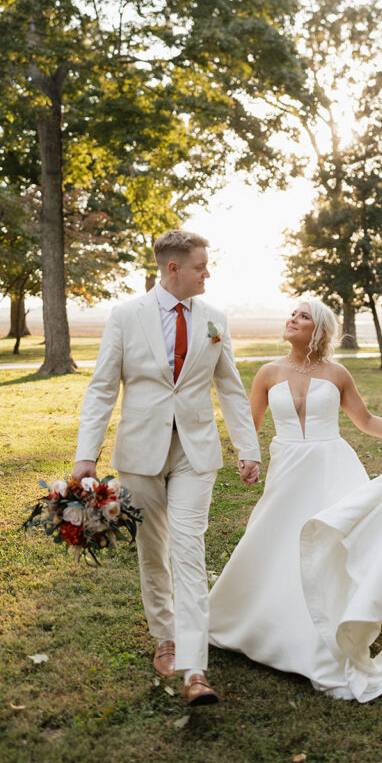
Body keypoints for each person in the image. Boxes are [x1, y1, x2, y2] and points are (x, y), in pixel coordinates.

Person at [208, 298, 382, 702]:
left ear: (321, 330)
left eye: (303, 316)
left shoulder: (337, 373)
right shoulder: (267, 372)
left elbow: (364, 421)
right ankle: (254, 623)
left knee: (330, 547)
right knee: (274, 540)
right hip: (288, 470)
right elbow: (249, 424)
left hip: (333, 470)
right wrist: (248, 456)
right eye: (292, 314)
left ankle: (323, 639)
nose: (292, 319)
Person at [72, 230, 260, 706]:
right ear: (173, 269)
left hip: (196, 453)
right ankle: (166, 637)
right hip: (140, 454)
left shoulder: (215, 319)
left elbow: (232, 387)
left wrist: (248, 446)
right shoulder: (125, 317)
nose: (208, 273)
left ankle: (195, 669)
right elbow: (101, 389)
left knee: (189, 548)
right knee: (154, 548)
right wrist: (85, 456)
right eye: (201, 266)